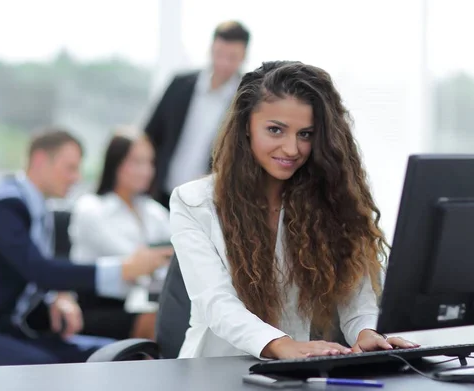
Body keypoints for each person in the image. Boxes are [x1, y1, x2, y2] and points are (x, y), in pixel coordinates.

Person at [169, 61, 419, 359]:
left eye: (305, 134)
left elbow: (357, 303)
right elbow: (217, 303)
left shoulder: (329, 200)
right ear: (245, 126)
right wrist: (282, 345)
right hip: (212, 371)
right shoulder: (193, 201)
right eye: (275, 130)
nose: (291, 149)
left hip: (293, 371)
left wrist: (367, 333)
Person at [0, 128, 171, 366]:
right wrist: (123, 268)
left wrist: (56, 297)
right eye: (70, 168)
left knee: (120, 355)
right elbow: (39, 270)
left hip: (13, 329)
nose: (76, 178)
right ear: (39, 161)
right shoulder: (4, 206)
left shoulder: (38, 208)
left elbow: (29, 273)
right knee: (47, 369)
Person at [69, 127, 172, 340]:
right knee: (159, 321)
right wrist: (157, 261)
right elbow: (135, 263)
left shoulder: (153, 211)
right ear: (115, 163)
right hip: (96, 306)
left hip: (144, 303)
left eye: (149, 162)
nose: (146, 171)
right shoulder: (91, 208)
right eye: (136, 162)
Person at [145, 20, 250, 209]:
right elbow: (151, 134)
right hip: (160, 194)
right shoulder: (180, 84)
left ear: (243, 57)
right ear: (211, 49)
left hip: (208, 204)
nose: (223, 63)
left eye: (232, 57)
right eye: (219, 54)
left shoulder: (246, 100)